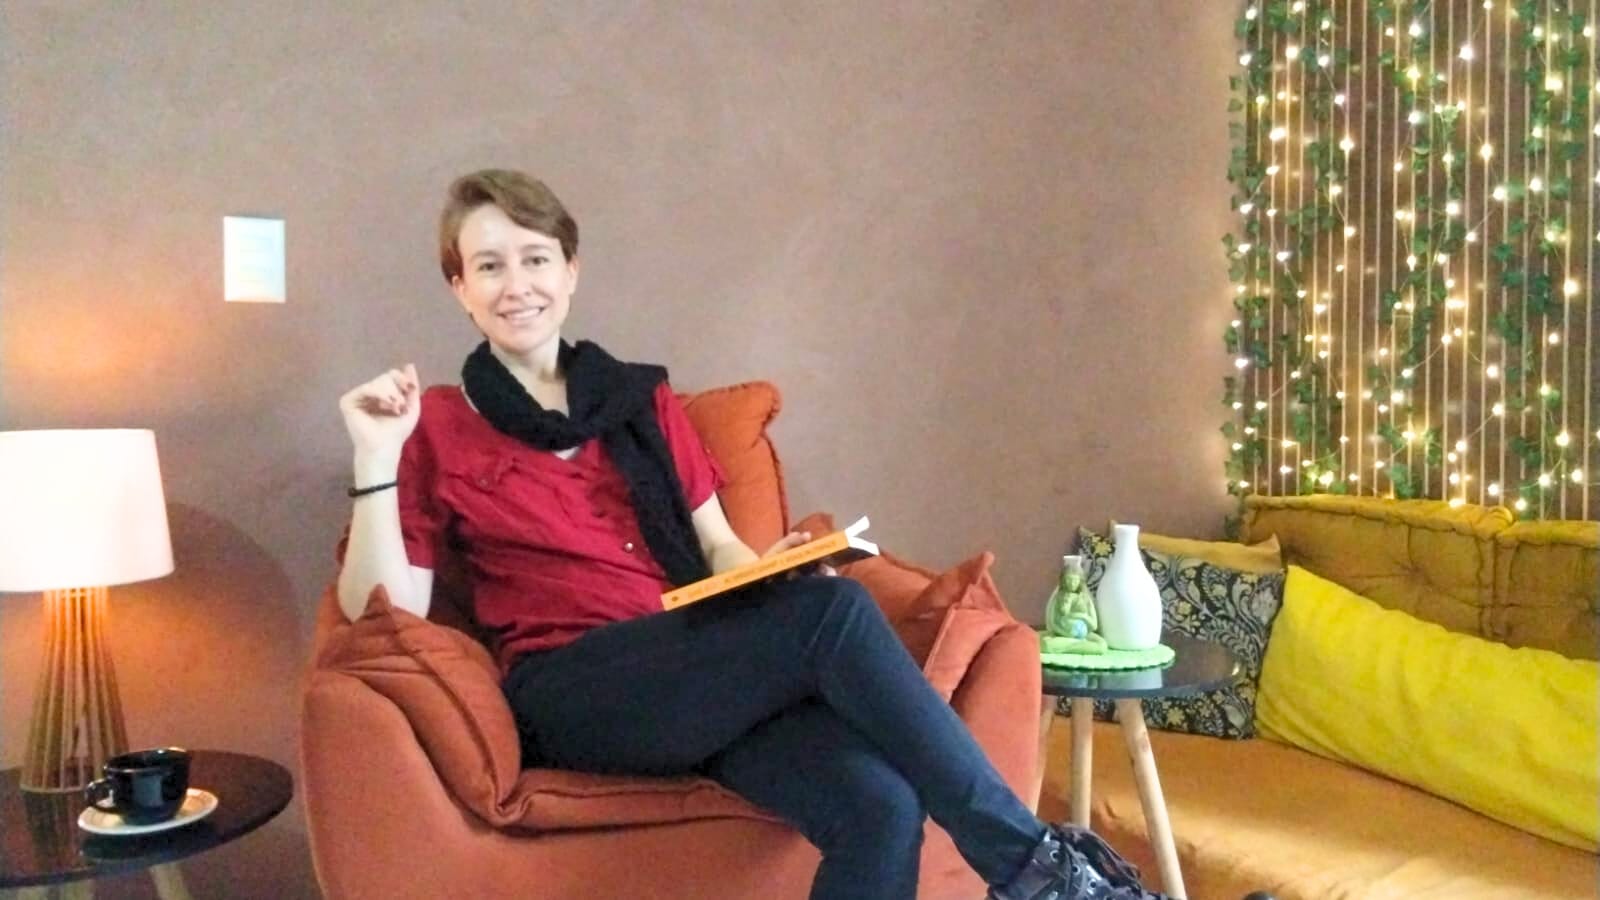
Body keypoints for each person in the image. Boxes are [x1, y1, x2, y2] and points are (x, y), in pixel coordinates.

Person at [335, 169, 1250, 900]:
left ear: (570, 271)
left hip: (698, 669)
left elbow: (718, 548)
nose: (517, 285)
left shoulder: (642, 403)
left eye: (535, 258)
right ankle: (1034, 869)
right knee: (833, 617)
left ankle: (1040, 872)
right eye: (489, 266)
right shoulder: (437, 426)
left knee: (878, 804)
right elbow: (385, 606)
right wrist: (375, 456)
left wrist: (766, 569)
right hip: (575, 689)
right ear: (459, 289)